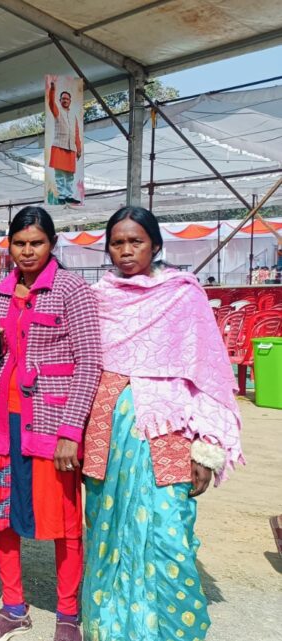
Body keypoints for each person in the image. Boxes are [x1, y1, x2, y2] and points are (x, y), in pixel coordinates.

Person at [82, 207, 243, 641]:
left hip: (166, 428)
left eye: (136, 241)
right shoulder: (98, 297)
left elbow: (208, 375)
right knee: (107, 529)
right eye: (117, 242)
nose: (126, 250)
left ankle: (172, 630)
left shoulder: (182, 295)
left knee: (169, 529)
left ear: (155, 244)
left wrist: (207, 449)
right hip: (108, 431)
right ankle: (111, 627)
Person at [0, 207, 101, 641]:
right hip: (3, 420)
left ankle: (68, 613)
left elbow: (89, 362)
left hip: (51, 423)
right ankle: (14, 607)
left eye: (37, 243)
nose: (27, 251)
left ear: (52, 245)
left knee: (65, 521)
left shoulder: (73, 291)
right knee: (3, 516)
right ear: (8, 245)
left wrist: (71, 431)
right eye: (19, 243)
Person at [47, 81, 83, 205]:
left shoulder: (73, 116)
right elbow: (51, 103)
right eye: (63, 98)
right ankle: (61, 196)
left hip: (71, 148)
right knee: (60, 174)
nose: (65, 100)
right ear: (60, 100)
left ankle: (68, 195)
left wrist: (79, 149)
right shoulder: (57, 111)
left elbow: (77, 134)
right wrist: (52, 89)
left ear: (70, 101)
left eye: (67, 99)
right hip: (59, 146)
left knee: (69, 175)